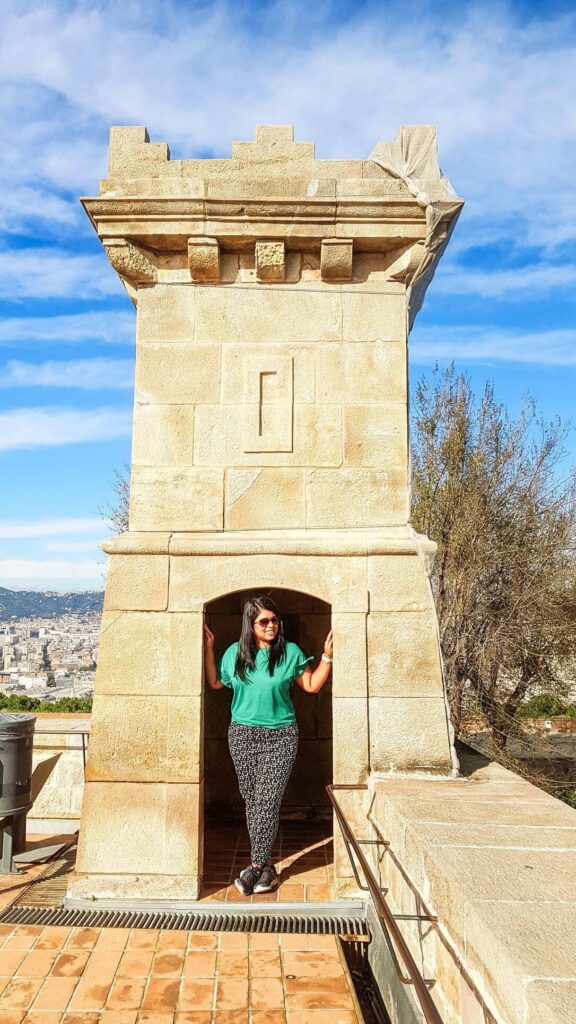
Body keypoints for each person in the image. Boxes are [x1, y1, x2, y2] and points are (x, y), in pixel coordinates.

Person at [203, 594, 333, 895]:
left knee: (267, 800)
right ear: (250, 624)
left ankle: (258, 865)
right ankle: (265, 869)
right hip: (242, 736)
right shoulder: (235, 654)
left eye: (275, 620)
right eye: (264, 621)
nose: (271, 625)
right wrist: (209, 650)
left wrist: (326, 657)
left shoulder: (290, 652)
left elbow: (312, 686)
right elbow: (215, 683)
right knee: (253, 800)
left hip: (281, 737)